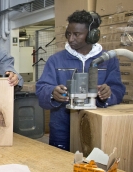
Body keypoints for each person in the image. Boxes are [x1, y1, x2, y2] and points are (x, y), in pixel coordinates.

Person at [35, 10, 126, 151]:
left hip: (97, 129)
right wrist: (52, 93)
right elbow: (41, 88)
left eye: (77, 34)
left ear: (92, 35)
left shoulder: (108, 60)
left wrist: (108, 93)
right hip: (62, 129)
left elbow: (118, 90)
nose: (71, 39)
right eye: (68, 34)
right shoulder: (56, 60)